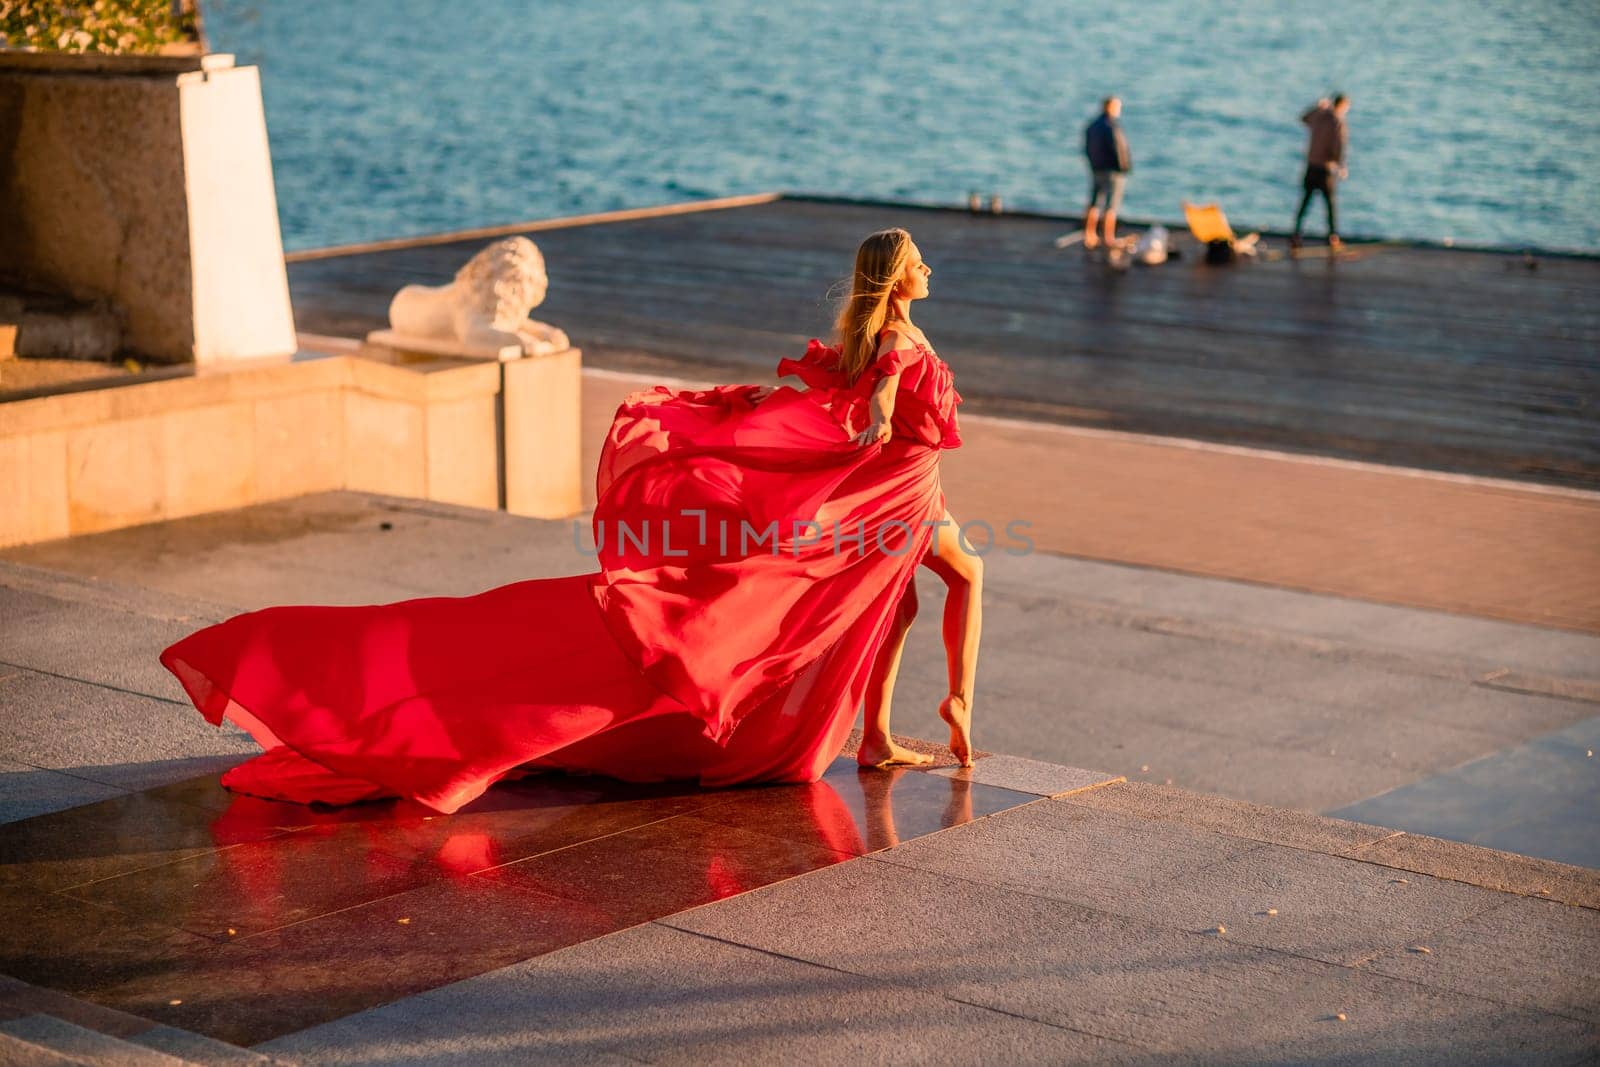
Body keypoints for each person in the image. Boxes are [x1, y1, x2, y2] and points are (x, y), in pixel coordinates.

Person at [159, 228, 981, 813]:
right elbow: (879, 392)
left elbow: (843, 390)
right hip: (895, 499)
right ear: (898, 277)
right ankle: (956, 707)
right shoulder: (901, 342)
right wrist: (869, 417)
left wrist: (758, 408)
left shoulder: (878, 335)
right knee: (959, 578)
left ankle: (875, 734)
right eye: (921, 263)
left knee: (895, 604)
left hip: (901, 494)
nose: (932, 268)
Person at [1292, 94, 1350, 250]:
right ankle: (1332, 237)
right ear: (1342, 106)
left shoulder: (1318, 115)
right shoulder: (1337, 122)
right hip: (1325, 169)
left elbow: (1303, 118)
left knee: (1305, 202)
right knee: (1330, 205)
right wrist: (1341, 166)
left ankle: (1296, 235)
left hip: (1311, 166)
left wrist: (1316, 107)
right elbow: (1339, 146)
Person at [1083, 96, 1132, 250]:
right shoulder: (1112, 126)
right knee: (1112, 205)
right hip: (1112, 171)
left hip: (1096, 168)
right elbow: (1120, 150)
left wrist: (1093, 164)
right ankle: (1108, 238)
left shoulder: (1092, 126)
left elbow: (1087, 148)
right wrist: (1124, 168)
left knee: (1095, 202)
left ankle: (1089, 234)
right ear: (1110, 107)